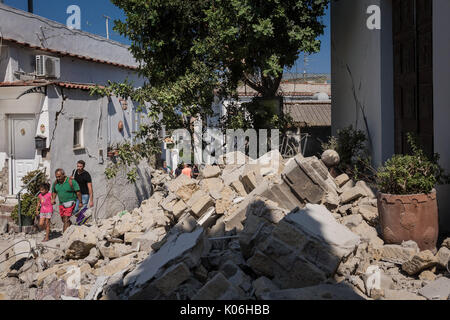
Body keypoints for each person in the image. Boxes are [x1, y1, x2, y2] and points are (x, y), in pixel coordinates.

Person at [52, 169, 82, 233]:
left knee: (66, 219)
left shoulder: (71, 181)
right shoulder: (55, 183)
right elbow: (54, 191)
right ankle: (72, 228)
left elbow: (78, 192)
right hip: (61, 204)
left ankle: (64, 236)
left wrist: (80, 202)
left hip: (71, 202)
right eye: (56, 177)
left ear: (63, 175)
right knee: (63, 219)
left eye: (59, 176)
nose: (58, 178)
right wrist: (53, 199)